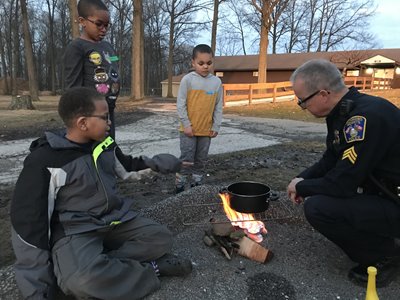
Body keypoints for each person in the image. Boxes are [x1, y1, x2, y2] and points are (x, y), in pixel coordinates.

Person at [10, 87, 192, 300]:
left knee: (161, 238)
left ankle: (100, 267)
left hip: (114, 221)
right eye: (105, 117)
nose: (110, 123)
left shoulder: (105, 146)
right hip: (76, 231)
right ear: (83, 123)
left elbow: (129, 167)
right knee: (82, 280)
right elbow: (29, 225)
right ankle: (151, 270)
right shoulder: (46, 161)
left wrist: (168, 164)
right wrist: (38, 292)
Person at [287, 59, 400, 288]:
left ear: (323, 94)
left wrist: (303, 188)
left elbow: (342, 184)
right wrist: (300, 179)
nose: (303, 106)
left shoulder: (365, 118)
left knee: (318, 208)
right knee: (323, 200)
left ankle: (385, 255)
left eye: (303, 101)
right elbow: (332, 158)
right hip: (383, 193)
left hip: (394, 199)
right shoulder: (345, 111)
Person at [64, 0, 119, 139]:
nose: (104, 29)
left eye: (107, 25)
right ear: (82, 21)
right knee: (93, 154)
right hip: (90, 116)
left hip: (108, 110)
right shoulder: (77, 47)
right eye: (99, 24)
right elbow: (73, 89)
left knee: (108, 150)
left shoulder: (108, 47)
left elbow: (113, 67)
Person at [175, 44, 223, 193]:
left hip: (206, 131)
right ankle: (180, 185)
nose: (205, 66)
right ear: (193, 62)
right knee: (187, 159)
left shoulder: (216, 82)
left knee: (201, 160)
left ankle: (197, 185)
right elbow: (180, 104)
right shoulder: (187, 80)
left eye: (209, 63)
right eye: (201, 63)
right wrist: (187, 124)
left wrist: (216, 126)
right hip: (188, 130)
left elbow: (218, 106)